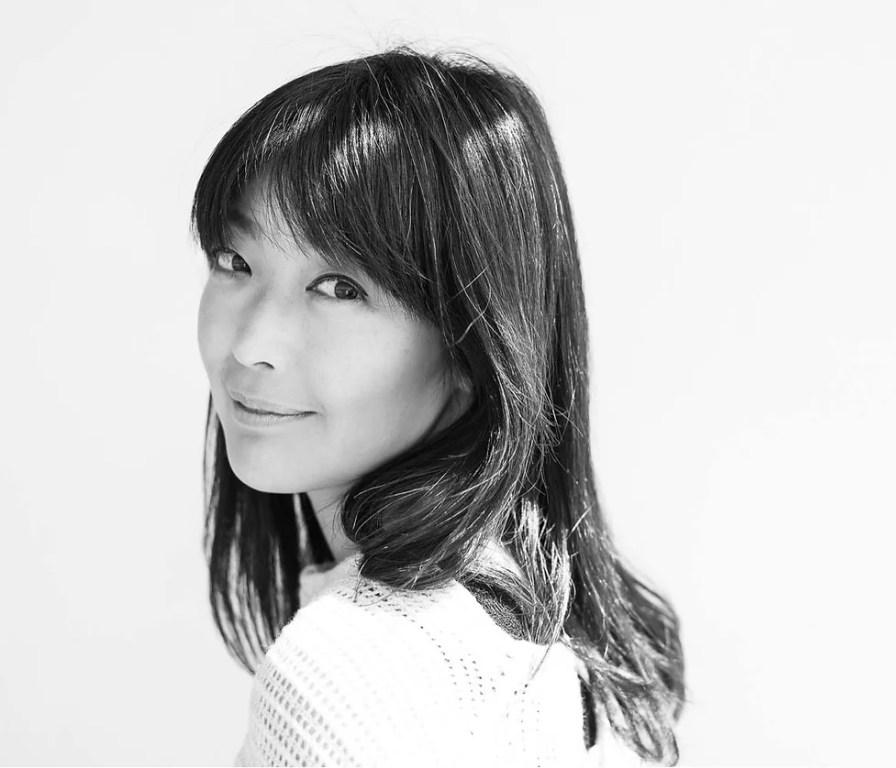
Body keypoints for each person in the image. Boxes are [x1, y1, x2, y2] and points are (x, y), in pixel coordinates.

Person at [192, 45, 686, 767]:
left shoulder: (351, 672)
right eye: (235, 262)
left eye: (340, 288)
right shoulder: (549, 638)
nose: (252, 344)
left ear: (471, 346)